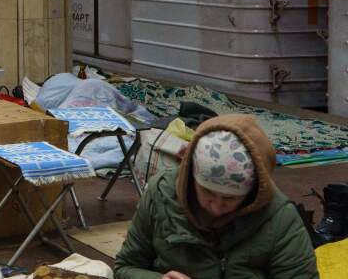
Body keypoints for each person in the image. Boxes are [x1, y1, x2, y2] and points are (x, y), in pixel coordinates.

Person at [114, 114, 318, 279]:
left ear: (253, 192)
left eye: (230, 198)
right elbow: (125, 267)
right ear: (191, 177)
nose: (217, 207)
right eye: (208, 192)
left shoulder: (279, 218)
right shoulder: (160, 195)